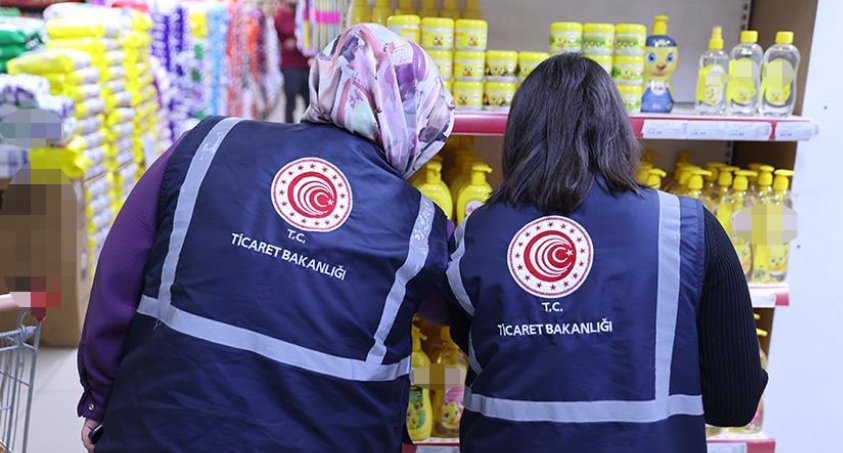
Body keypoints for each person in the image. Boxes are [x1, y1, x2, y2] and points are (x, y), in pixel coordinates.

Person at [78, 25, 454, 452]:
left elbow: (119, 273)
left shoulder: (208, 144)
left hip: (162, 425)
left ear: (325, 78)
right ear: (418, 120)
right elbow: (453, 309)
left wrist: (101, 394)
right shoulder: (420, 223)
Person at [445, 53, 767, 452]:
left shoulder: (477, 232)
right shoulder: (686, 227)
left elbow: (474, 344)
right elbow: (735, 404)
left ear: (519, 136)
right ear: (618, 131)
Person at [274, 0, 310, 122]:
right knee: (291, 99)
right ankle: (288, 127)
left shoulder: (303, 12)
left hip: (306, 63)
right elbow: (289, 30)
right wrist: (301, 37)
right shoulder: (280, 16)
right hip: (291, 65)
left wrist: (298, 39)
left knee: (309, 100)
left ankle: (308, 127)